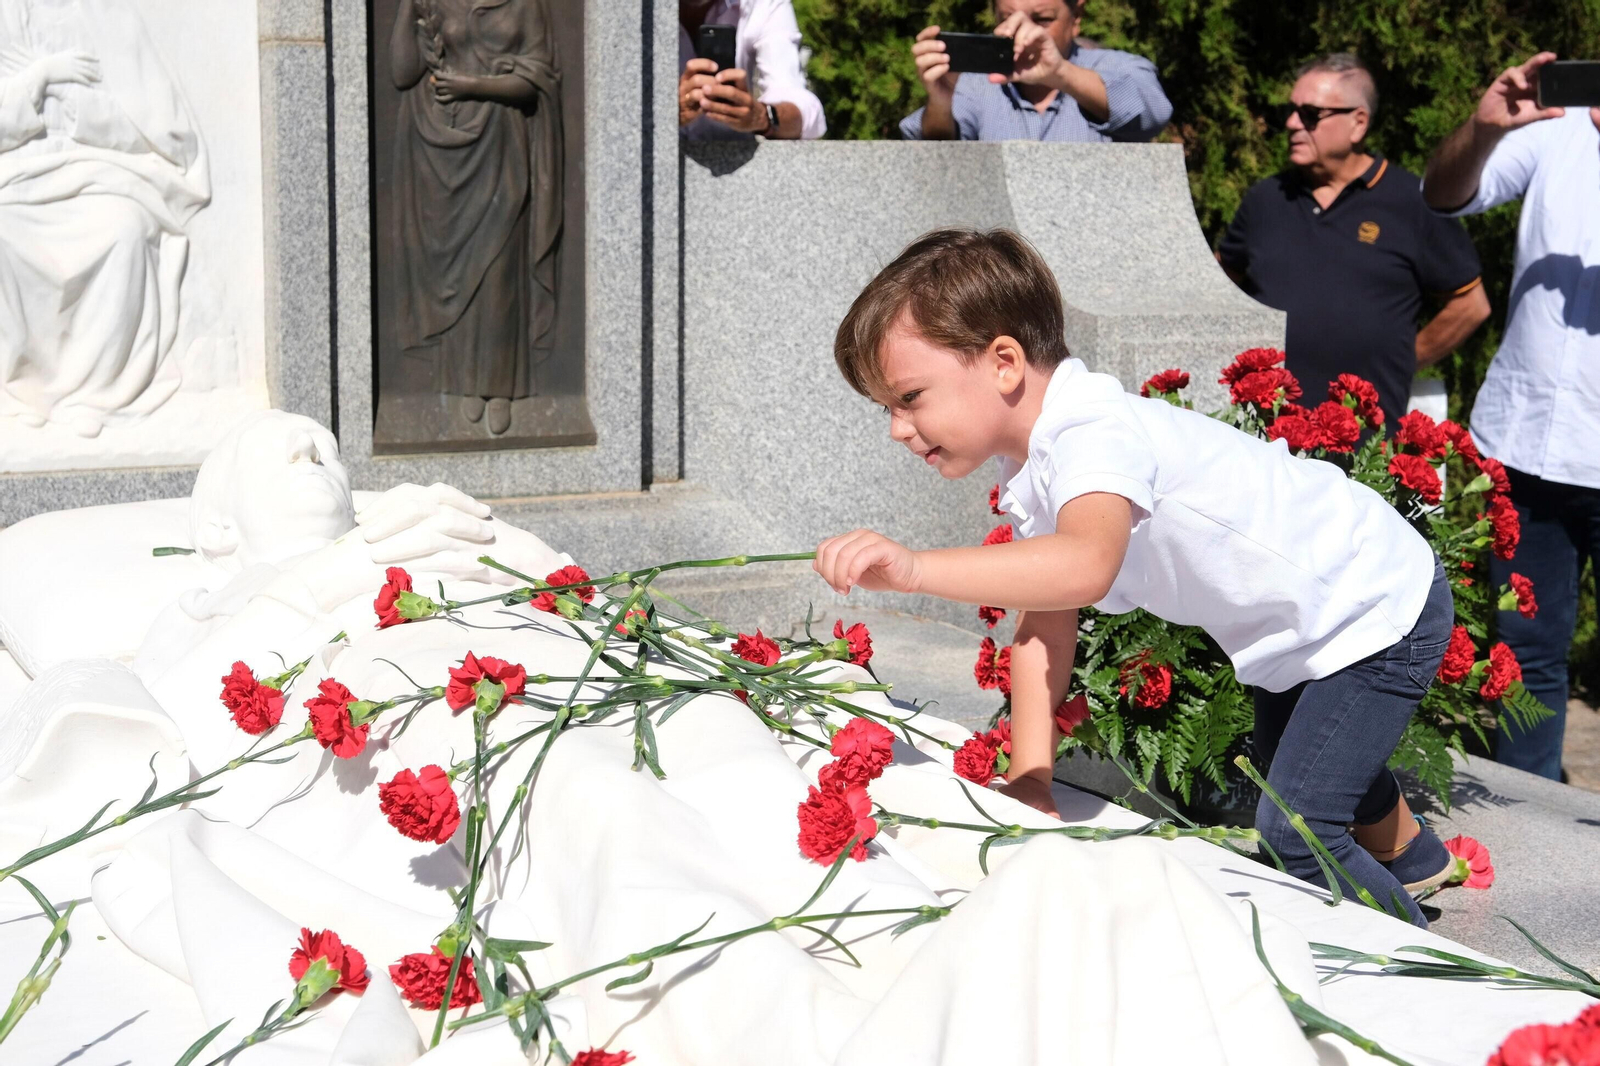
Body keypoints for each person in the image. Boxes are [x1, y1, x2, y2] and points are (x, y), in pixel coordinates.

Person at [814, 227, 1458, 926]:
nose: (896, 427)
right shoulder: (1036, 462)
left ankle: (1420, 965)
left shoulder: (1092, 430)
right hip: (1309, 617)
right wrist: (1032, 776)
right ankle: (1418, 860)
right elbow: (1043, 625)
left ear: (1004, 362)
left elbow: (1085, 566)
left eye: (909, 397)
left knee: (1297, 827)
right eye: (887, 407)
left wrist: (914, 570)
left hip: (1372, 602)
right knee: (1300, 760)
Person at [1422, 53, 1600, 781]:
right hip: (1526, 443)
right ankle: (1537, 820)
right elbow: (1442, 194)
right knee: (1526, 654)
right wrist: (1484, 127)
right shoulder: (1553, 130)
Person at [1218, 54, 1489, 431]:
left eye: (1311, 114)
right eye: (1291, 110)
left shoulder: (1411, 201)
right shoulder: (1266, 199)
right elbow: (1217, 284)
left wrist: (1400, 360)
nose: (1292, 124)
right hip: (1261, 433)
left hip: (1360, 444)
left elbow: (1470, 306)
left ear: (1358, 123)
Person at [389, 0, 563, 437]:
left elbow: (536, 80)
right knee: (452, 273)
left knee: (499, 268)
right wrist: (406, 8)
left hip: (501, 142)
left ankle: (501, 385)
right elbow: (401, 74)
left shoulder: (525, 4)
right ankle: (462, 380)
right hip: (439, 148)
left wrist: (472, 84)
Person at [901, 0, 1170, 143]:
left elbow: (1153, 111)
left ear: (1076, 16)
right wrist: (940, 101)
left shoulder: (1116, 66)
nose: (1023, 31)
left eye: (1042, 19)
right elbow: (935, 148)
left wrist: (1060, 74)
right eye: (1008, 18)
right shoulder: (979, 83)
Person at [677, 0, 824, 141]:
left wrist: (761, 117)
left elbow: (802, 107)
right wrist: (666, 111)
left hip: (738, 157)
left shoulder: (762, 3)